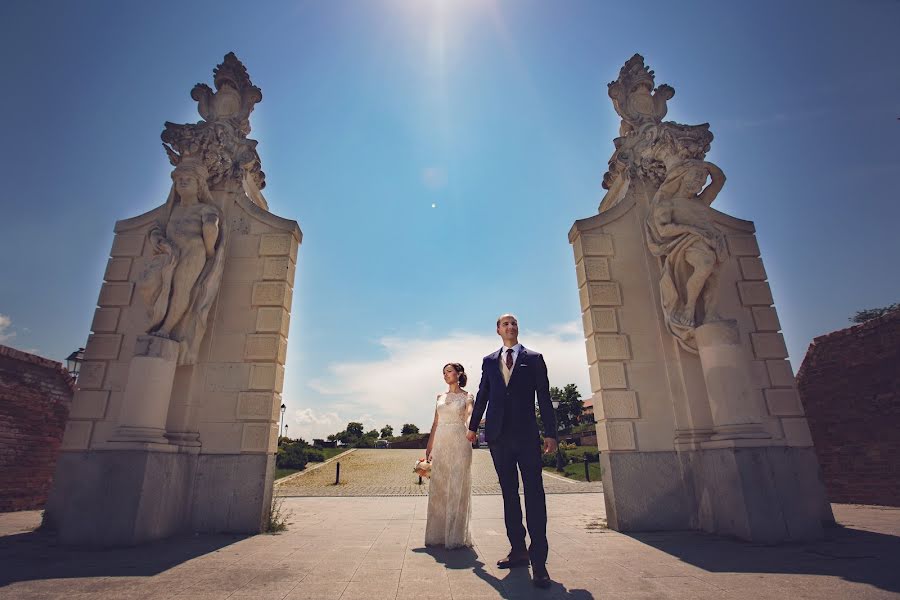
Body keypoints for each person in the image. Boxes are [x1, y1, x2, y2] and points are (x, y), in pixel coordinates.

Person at [466, 314, 557, 589]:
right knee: (508, 494)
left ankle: (539, 562)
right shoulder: (489, 361)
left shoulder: (535, 358)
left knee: (534, 494)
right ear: (497, 330)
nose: (510, 327)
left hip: (527, 437)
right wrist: (472, 427)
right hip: (498, 437)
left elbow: (544, 395)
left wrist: (551, 433)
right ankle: (518, 550)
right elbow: (483, 393)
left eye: (514, 323)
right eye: (505, 324)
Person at [424, 362, 474, 549]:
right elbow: (435, 423)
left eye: (449, 371)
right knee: (439, 486)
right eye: (443, 372)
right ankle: (437, 535)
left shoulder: (467, 396)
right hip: (441, 442)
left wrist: (471, 426)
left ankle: (455, 535)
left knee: (457, 485)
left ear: (459, 374)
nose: (446, 375)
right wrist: (430, 445)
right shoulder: (439, 396)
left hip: (459, 441)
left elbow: (469, 413)